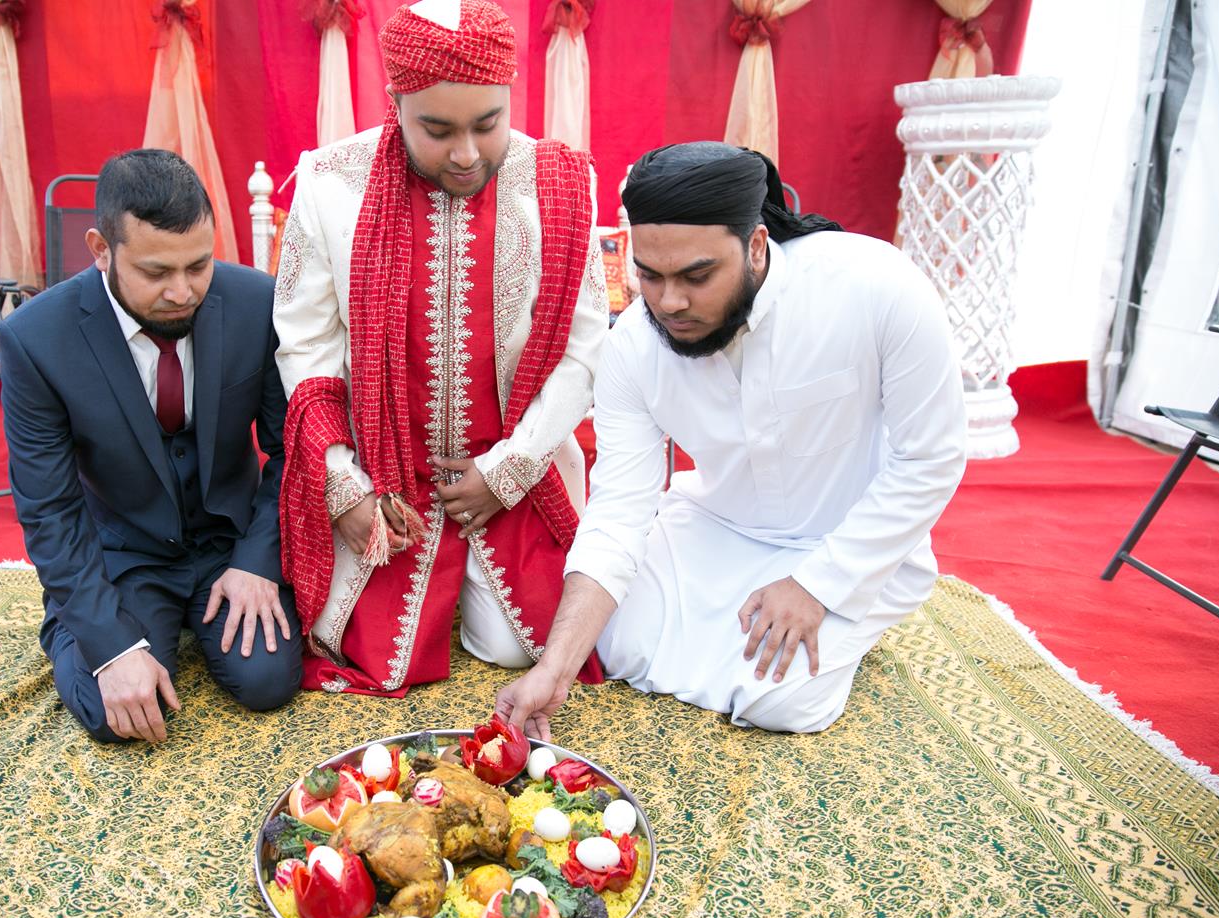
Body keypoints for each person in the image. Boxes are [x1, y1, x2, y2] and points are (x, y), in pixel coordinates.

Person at [495, 141, 968, 739]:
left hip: (846, 540)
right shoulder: (633, 346)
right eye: (650, 275)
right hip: (714, 530)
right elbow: (618, 512)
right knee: (610, 645)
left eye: (697, 276)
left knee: (782, 704)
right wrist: (554, 671)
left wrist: (818, 584)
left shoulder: (877, 287)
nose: (669, 303)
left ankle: (846, 622)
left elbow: (931, 458)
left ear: (755, 244)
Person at [275, 0, 610, 697]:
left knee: (518, 649)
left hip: (513, 476)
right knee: (369, 650)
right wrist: (344, 486)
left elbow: (585, 348)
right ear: (395, 102)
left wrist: (508, 470)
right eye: (438, 129)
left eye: (487, 124)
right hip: (384, 486)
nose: (466, 153)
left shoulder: (560, 184)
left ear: (510, 94)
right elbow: (305, 348)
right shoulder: (332, 180)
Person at [0, 148, 301, 743]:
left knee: (269, 683)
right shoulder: (35, 340)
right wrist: (110, 648)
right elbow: (50, 511)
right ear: (100, 249)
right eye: (156, 272)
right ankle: (69, 626)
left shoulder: (256, 303)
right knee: (119, 716)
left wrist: (256, 562)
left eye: (198, 265)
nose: (182, 291)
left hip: (227, 544)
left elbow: (290, 448)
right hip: (125, 552)